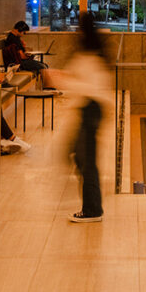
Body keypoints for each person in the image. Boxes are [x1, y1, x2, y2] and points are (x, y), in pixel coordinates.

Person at [55, 12, 113, 223]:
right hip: (88, 109)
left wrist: (65, 80)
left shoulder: (90, 54)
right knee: (81, 157)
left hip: (91, 109)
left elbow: (92, 87)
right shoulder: (91, 50)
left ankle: (92, 209)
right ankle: (92, 206)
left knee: (87, 160)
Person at [3, 20, 57, 89]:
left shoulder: (13, 37)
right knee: (42, 66)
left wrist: (25, 49)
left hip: (19, 61)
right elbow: (21, 56)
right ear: (19, 30)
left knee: (44, 65)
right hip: (20, 63)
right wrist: (29, 55)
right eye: (24, 32)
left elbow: (19, 52)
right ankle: (47, 86)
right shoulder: (14, 40)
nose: (24, 34)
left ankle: (45, 86)